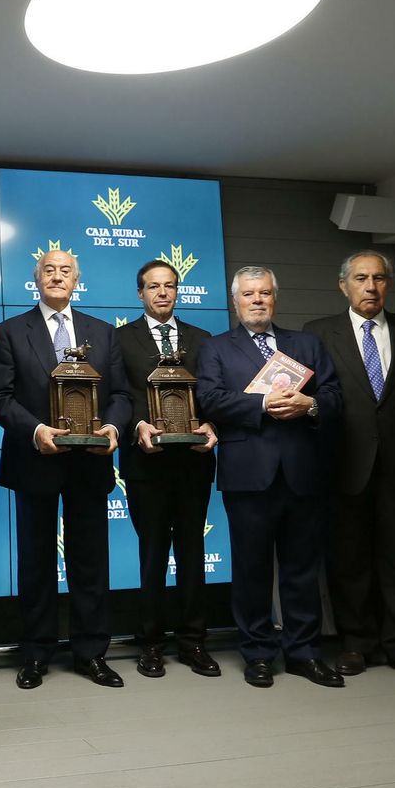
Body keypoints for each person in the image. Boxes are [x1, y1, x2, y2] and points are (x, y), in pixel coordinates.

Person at [0, 249, 131, 689]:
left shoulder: (104, 333)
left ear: (77, 279)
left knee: (91, 562)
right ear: (36, 279)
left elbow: (122, 396)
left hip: (89, 463)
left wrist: (110, 427)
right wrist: (35, 432)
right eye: (48, 270)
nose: (56, 276)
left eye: (65, 269)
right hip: (36, 460)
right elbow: (0, 397)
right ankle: (36, 653)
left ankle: (92, 653)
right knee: (35, 562)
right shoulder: (10, 331)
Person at [196, 265, 344, 690]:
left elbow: (334, 396)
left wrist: (309, 405)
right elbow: (209, 399)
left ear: (274, 298)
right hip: (248, 475)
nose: (257, 300)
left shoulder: (306, 343)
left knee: (302, 570)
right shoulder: (216, 348)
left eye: (264, 293)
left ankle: (304, 653)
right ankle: (258, 653)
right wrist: (261, 404)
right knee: (251, 570)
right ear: (235, 301)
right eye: (248, 294)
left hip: (303, 471)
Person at [304, 251, 395, 683]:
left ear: (388, 285)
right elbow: (315, 395)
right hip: (343, 463)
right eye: (361, 278)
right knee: (349, 559)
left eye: (379, 278)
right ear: (344, 286)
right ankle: (356, 643)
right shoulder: (318, 333)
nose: (371, 287)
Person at [116, 259, 219, 680]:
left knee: (193, 551)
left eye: (170, 286)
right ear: (139, 293)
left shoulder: (203, 339)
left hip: (194, 461)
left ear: (178, 292)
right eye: (153, 287)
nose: (162, 293)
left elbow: (215, 393)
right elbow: (117, 394)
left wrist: (214, 423)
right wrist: (138, 425)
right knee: (153, 552)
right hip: (147, 463)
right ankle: (151, 643)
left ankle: (194, 641)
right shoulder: (119, 339)